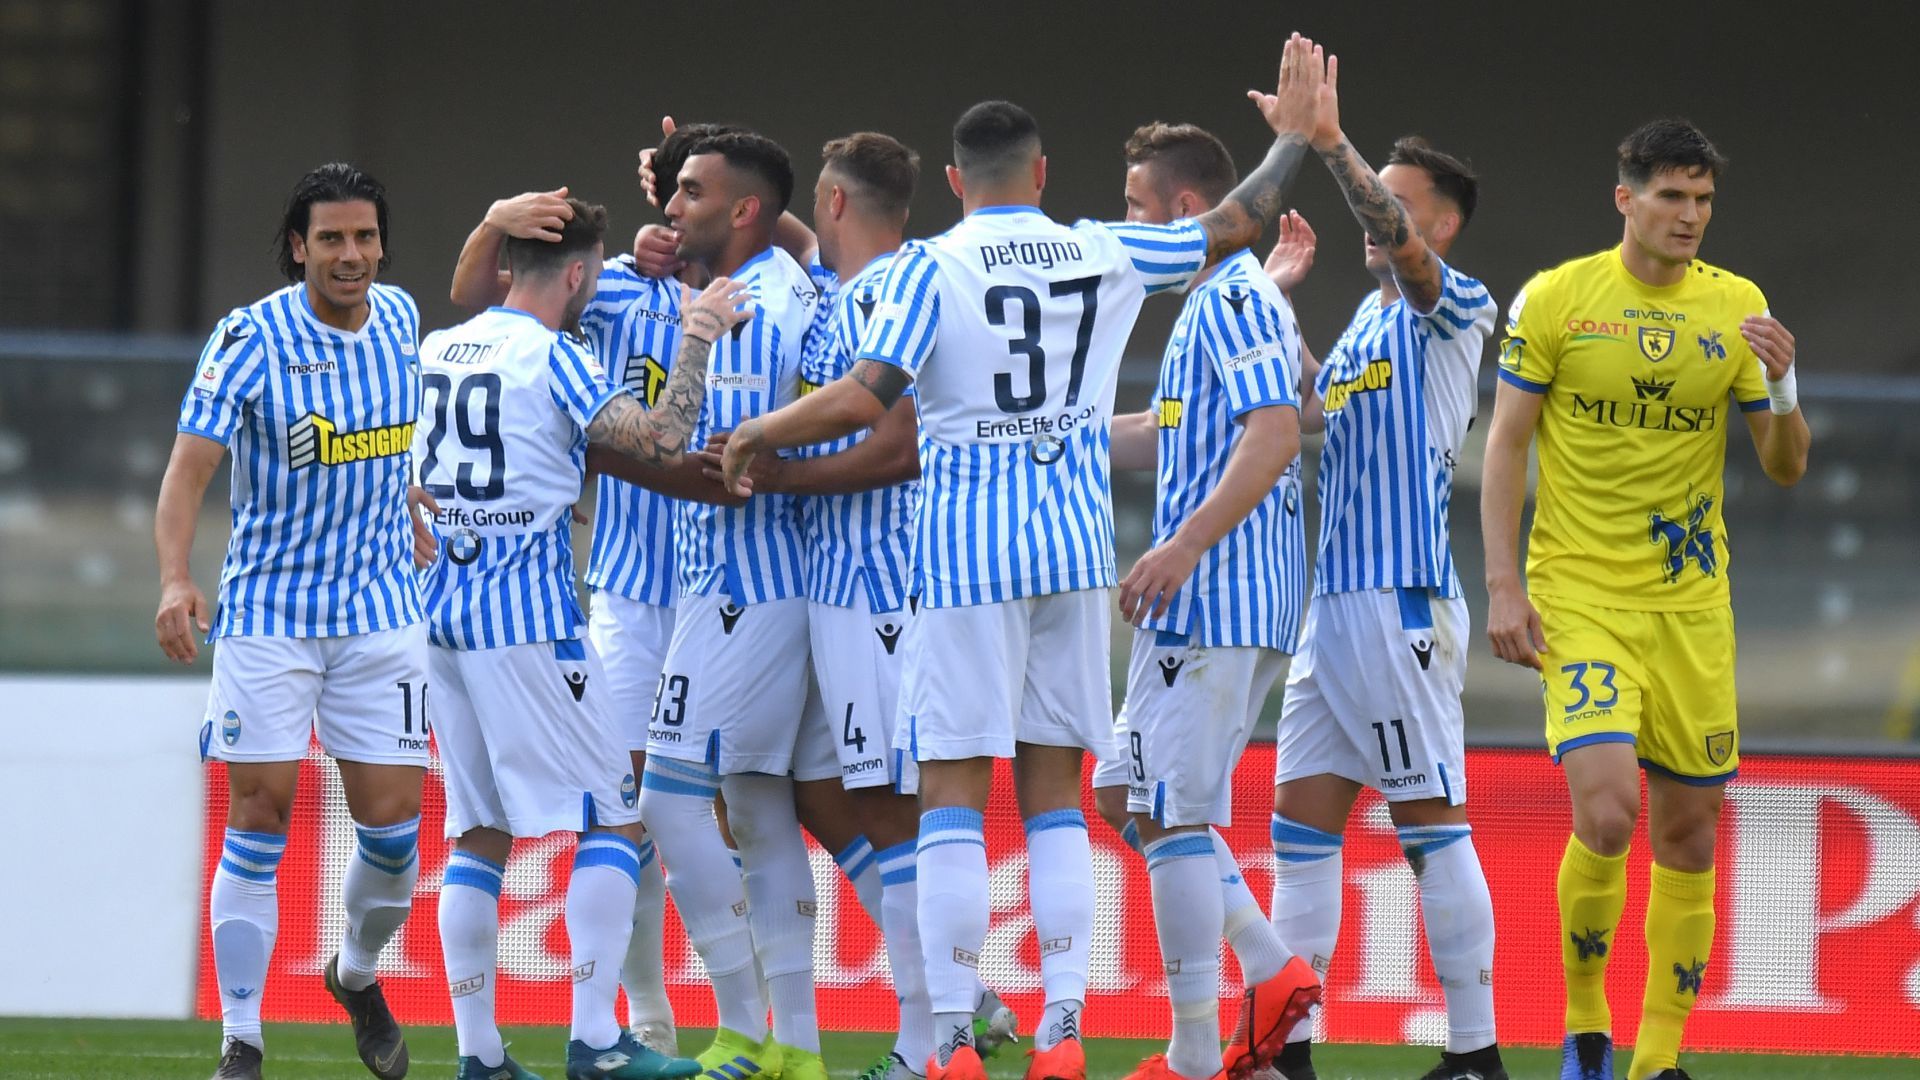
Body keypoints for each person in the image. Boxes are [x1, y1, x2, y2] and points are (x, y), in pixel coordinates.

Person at [719, 33, 1334, 1080]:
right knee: (1057, 795)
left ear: (956, 182)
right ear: (1043, 175)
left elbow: (867, 394)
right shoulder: (1102, 246)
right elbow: (1235, 221)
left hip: (963, 560)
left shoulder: (926, 266)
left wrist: (761, 432)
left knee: (955, 792)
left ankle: (955, 1040)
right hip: (1073, 554)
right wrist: (1295, 144)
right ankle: (1060, 1032)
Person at [1481, 118, 1809, 1080]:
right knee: (1612, 812)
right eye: (1672, 197)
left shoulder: (1737, 308)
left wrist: (1784, 387)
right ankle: (1587, 1024)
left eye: (1703, 200)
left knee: (1689, 832)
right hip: (1579, 591)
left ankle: (1657, 1058)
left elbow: (1786, 468)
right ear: (1626, 198)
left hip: (1693, 606)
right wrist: (1504, 581)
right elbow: (1505, 444)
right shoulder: (1560, 299)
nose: (1691, 217)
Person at [419, 194, 746, 1080]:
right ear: (576, 275)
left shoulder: (441, 349)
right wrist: (700, 333)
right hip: (527, 622)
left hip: (440, 616)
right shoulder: (553, 357)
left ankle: (480, 1055)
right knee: (613, 814)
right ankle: (598, 1041)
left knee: (477, 831)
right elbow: (659, 435)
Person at [1260, 55, 1505, 1080]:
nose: (1375, 216)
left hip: (1399, 601)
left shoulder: (1453, 304)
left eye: (1397, 206)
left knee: (1429, 823)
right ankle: (1292, 1050)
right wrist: (1273, 302)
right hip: (1335, 609)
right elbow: (1317, 412)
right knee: (1298, 830)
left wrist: (1326, 145)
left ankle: (1477, 1052)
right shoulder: (1368, 319)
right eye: (1375, 198)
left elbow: (1400, 251)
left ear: (1438, 226)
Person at [157, 163, 428, 1080]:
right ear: (297, 247)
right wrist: (172, 579)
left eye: (363, 237)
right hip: (271, 614)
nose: (350, 256)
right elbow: (189, 470)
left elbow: (394, 440)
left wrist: (413, 499)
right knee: (261, 811)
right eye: (330, 240)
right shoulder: (249, 338)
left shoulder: (401, 319)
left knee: (396, 836)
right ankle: (242, 1037)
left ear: (382, 242)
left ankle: (353, 974)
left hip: (383, 611)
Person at [1084, 120, 1318, 1080]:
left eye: (1137, 205)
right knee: (1119, 793)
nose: (1127, 222)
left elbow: (1276, 434)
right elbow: (1160, 430)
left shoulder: (1232, 299)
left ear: (1186, 211)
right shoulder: (1216, 303)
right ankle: (1268, 971)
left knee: (1172, 814)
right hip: (1209, 598)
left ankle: (1192, 1055)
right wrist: (1027, 433)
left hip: (1214, 596)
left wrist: (1181, 545)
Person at [629, 129, 832, 1080]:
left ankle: (745, 1026)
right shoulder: (776, 289)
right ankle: (796, 1046)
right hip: (745, 593)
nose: (674, 209)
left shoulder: (753, 310)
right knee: (756, 809)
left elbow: (709, 463)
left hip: (744, 595)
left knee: (668, 802)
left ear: (745, 211)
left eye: (694, 194)